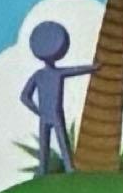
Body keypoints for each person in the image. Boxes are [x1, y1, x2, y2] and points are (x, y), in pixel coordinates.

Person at [20, 21, 97, 175]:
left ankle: (58, 169)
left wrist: (38, 111)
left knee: (56, 143)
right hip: (51, 114)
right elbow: (24, 97)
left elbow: (24, 97)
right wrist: (37, 111)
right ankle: (58, 169)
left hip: (50, 114)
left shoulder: (43, 74)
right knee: (54, 143)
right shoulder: (47, 74)